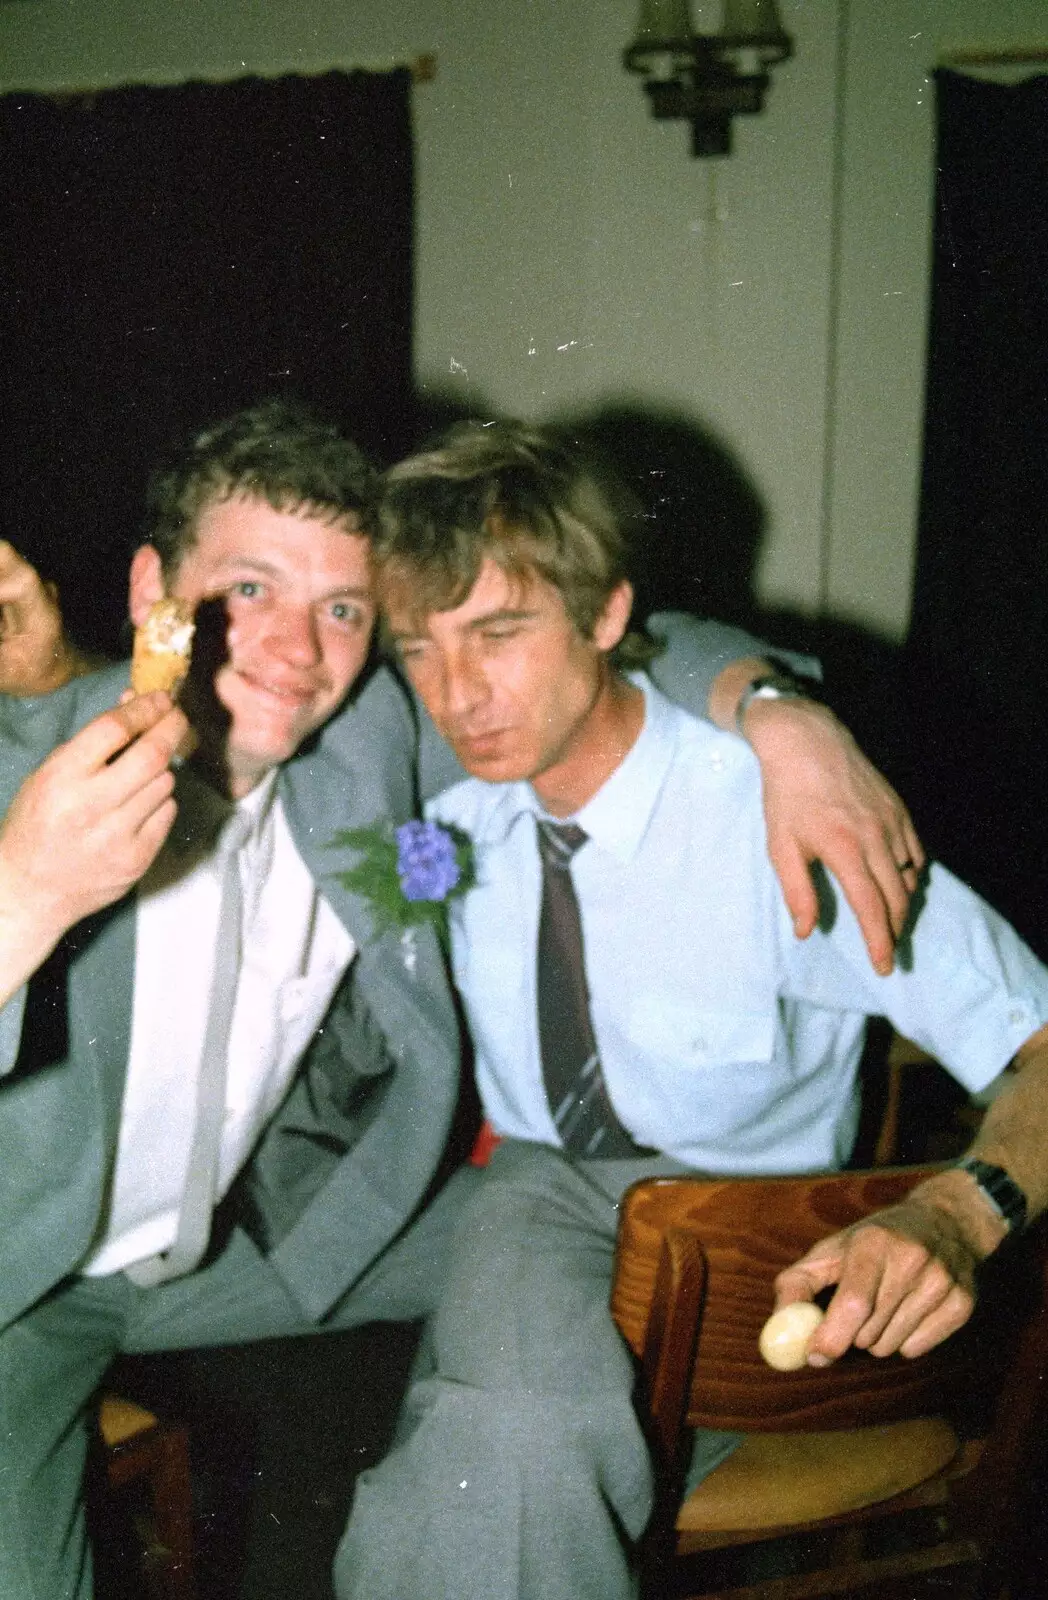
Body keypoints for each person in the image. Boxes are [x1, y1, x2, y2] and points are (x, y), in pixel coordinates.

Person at [0, 400, 923, 1600]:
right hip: (26, 1290)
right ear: (151, 591)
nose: (293, 648)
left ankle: (521, 1513)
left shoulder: (364, 737)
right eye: (247, 590)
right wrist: (22, 892)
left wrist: (779, 716)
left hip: (270, 1240)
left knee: (624, 1244)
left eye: (341, 608)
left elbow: (594, 653)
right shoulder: (24, 763)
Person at [332, 418, 1048, 1600]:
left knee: (486, 1443)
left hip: (749, 1253)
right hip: (544, 1196)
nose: (457, 694)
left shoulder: (782, 819)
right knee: (507, 1427)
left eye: (499, 633)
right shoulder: (448, 821)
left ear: (607, 616)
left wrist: (956, 1215)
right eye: (420, 647)